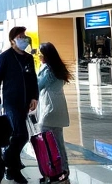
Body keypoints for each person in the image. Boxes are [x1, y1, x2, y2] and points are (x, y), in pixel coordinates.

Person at [0, 27, 39, 184]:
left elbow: (33, 78)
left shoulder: (28, 58)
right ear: (12, 40)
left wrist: (35, 97)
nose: (24, 39)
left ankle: (11, 168)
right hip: (11, 101)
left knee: (17, 135)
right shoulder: (5, 57)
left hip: (26, 101)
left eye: (25, 36)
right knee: (21, 135)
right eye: (20, 36)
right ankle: (9, 161)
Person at [36, 42, 73, 181]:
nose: (39, 56)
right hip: (59, 108)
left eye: (40, 53)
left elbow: (38, 85)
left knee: (46, 140)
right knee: (58, 141)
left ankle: (53, 169)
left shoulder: (47, 69)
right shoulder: (58, 68)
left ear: (46, 55)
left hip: (49, 109)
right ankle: (64, 168)